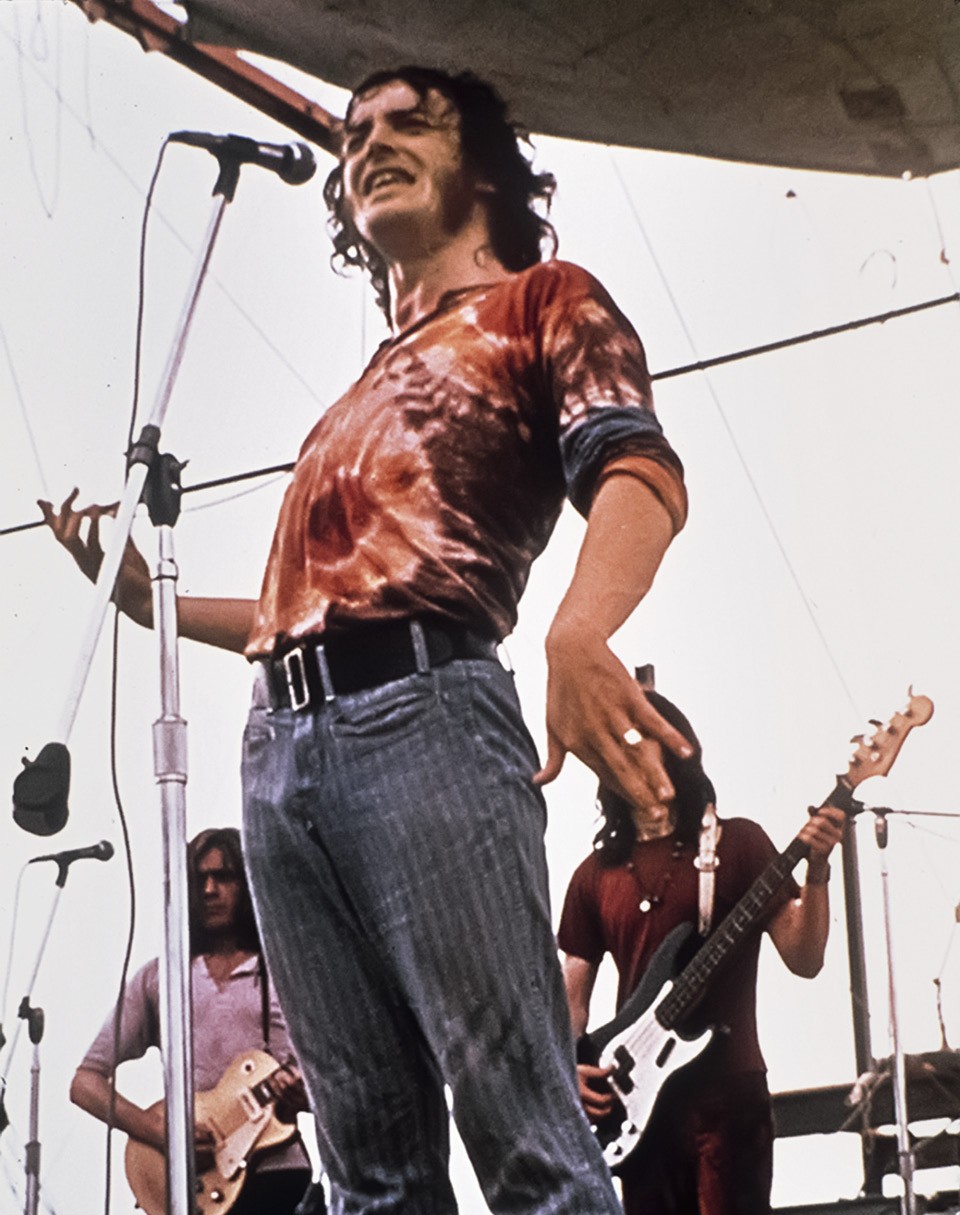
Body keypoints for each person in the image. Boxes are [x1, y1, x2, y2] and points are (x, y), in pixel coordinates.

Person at [43, 65, 691, 1213]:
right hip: (280, 751)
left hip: (425, 720)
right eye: (355, 133)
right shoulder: (359, 393)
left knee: (525, 1142)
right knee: (366, 1171)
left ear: (479, 167)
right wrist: (150, 607)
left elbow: (636, 466)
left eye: (409, 124)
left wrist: (581, 628)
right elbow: (297, 612)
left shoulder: (544, 301)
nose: (371, 144)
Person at [558, 689, 846, 1215]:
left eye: (641, 740)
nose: (629, 756)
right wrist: (565, 1069)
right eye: (618, 747)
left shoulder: (740, 844)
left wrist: (819, 870)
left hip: (730, 1092)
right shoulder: (593, 875)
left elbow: (804, 959)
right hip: (636, 1105)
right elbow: (570, 1003)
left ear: (676, 749)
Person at [70, 827, 318, 1215]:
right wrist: (160, 1133)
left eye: (224, 877)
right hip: (192, 1183)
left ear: (249, 883)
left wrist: (305, 1098)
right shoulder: (162, 977)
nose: (209, 890)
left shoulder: (288, 974)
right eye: (199, 879)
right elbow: (86, 1083)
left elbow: (337, 1082)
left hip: (277, 1174)